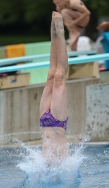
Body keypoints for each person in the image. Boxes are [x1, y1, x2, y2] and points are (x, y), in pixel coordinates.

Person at [40, 11, 69, 161]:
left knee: (52, 75)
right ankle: (60, 32)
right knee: (60, 77)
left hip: (44, 121)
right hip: (58, 122)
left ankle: (54, 32)